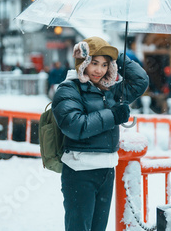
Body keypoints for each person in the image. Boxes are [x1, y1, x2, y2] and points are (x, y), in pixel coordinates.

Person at [52, 36, 149, 231]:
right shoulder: (68, 89)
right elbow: (75, 125)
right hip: (80, 171)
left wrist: (118, 56)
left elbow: (140, 81)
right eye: (94, 63)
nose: (99, 70)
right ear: (83, 62)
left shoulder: (110, 91)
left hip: (106, 170)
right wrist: (113, 115)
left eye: (105, 65)